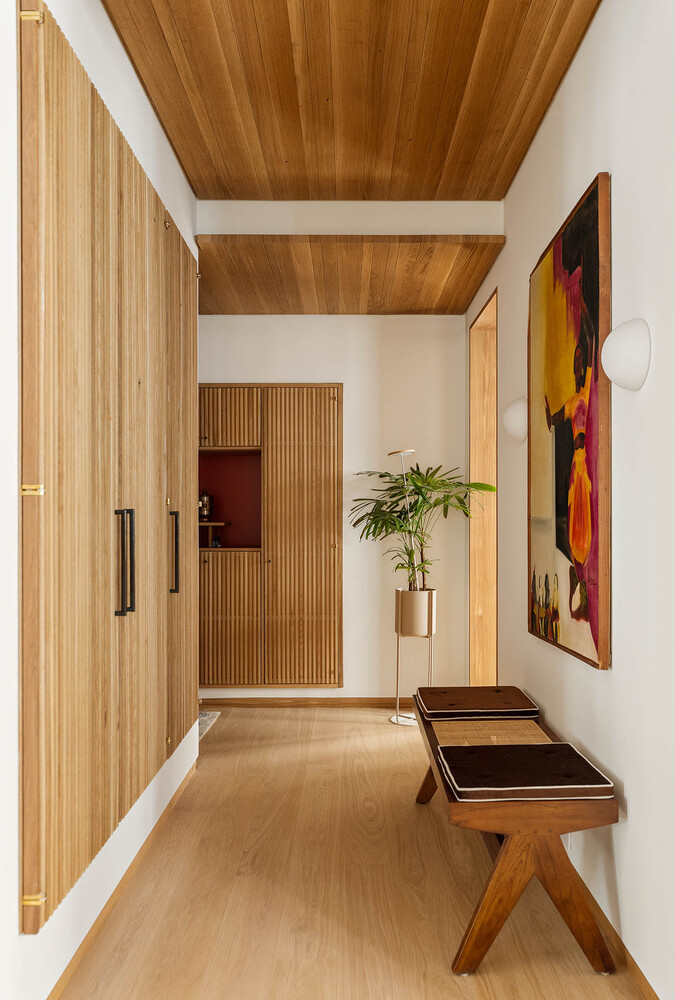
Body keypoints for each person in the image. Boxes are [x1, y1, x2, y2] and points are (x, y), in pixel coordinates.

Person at [545, 311, 595, 622]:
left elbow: (590, 345)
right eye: (575, 362)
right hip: (575, 473)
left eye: (580, 360)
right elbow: (553, 421)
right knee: (576, 530)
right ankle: (579, 580)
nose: (578, 365)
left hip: (584, 471)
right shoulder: (573, 399)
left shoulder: (587, 391)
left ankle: (583, 586)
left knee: (583, 529)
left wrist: (586, 318)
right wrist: (545, 410)